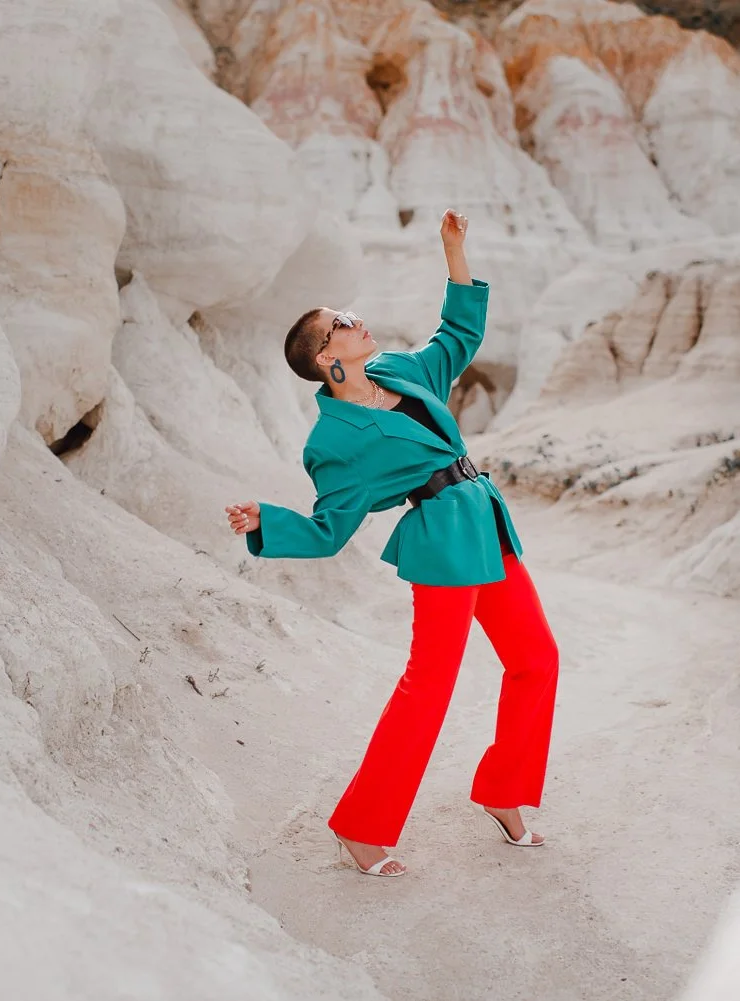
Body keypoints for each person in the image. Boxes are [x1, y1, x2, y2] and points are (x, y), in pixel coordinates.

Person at [225, 209, 560, 878]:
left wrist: (454, 251)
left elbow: (459, 333)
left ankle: (503, 790)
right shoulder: (332, 441)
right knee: (428, 687)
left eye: (348, 312)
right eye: (340, 322)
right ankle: (363, 828)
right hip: (439, 540)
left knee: (537, 659)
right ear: (326, 358)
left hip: (484, 519)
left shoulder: (405, 371)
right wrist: (265, 520)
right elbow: (329, 529)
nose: (354, 319)